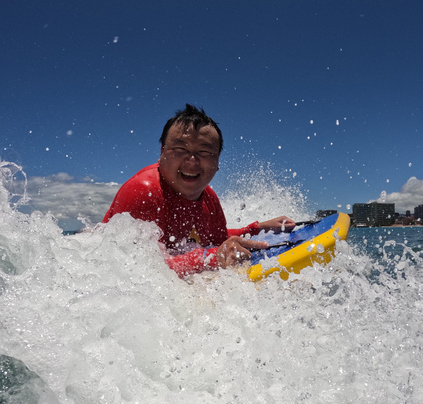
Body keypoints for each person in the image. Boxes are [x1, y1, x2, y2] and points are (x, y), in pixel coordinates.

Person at [102, 104, 294, 277]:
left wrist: (255, 229)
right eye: (180, 148)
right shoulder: (143, 191)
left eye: (204, 152)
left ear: (217, 161)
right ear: (161, 153)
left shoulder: (209, 199)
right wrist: (211, 257)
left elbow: (215, 240)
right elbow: (139, 269)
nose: (191, 161)